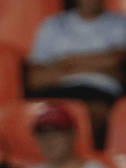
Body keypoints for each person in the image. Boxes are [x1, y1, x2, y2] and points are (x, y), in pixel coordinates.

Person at [28, 0, 126, 143]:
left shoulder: (120, 24)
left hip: (99, 94)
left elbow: (116, 62)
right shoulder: (53, 25)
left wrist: (66, 62)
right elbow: (34, 79)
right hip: (55, 92)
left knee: (92, 116)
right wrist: (99, 65)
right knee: (36, 117)